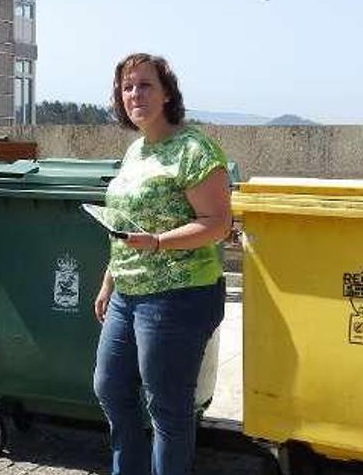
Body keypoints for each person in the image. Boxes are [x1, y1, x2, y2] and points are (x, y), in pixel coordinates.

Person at [92, 53, 232, 475]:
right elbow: (126, 226)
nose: (135, 93)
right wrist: (108, 281)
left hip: (178, 296)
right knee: (112, 388)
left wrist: (157, 243)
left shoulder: (194, 149)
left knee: (167, 408)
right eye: (127, 86)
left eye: (145, 84)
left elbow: (217, 224)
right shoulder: (136, 151)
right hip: (129, 294)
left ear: (167, 92)